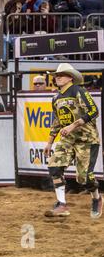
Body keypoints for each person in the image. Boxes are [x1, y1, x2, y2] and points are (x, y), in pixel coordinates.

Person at [43, 63, 102, 218]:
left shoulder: (79, 91)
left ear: (70, 77)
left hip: (87, 139)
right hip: (68, 140)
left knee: (84, 178)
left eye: (61, 75)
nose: (57, 77)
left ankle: (96, 197)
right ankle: (62, 204)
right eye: (56, 75)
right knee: (54, 166)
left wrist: (72, 125)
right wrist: (49, 142)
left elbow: (93, 110)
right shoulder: (56, 98)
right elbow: (57, 121)